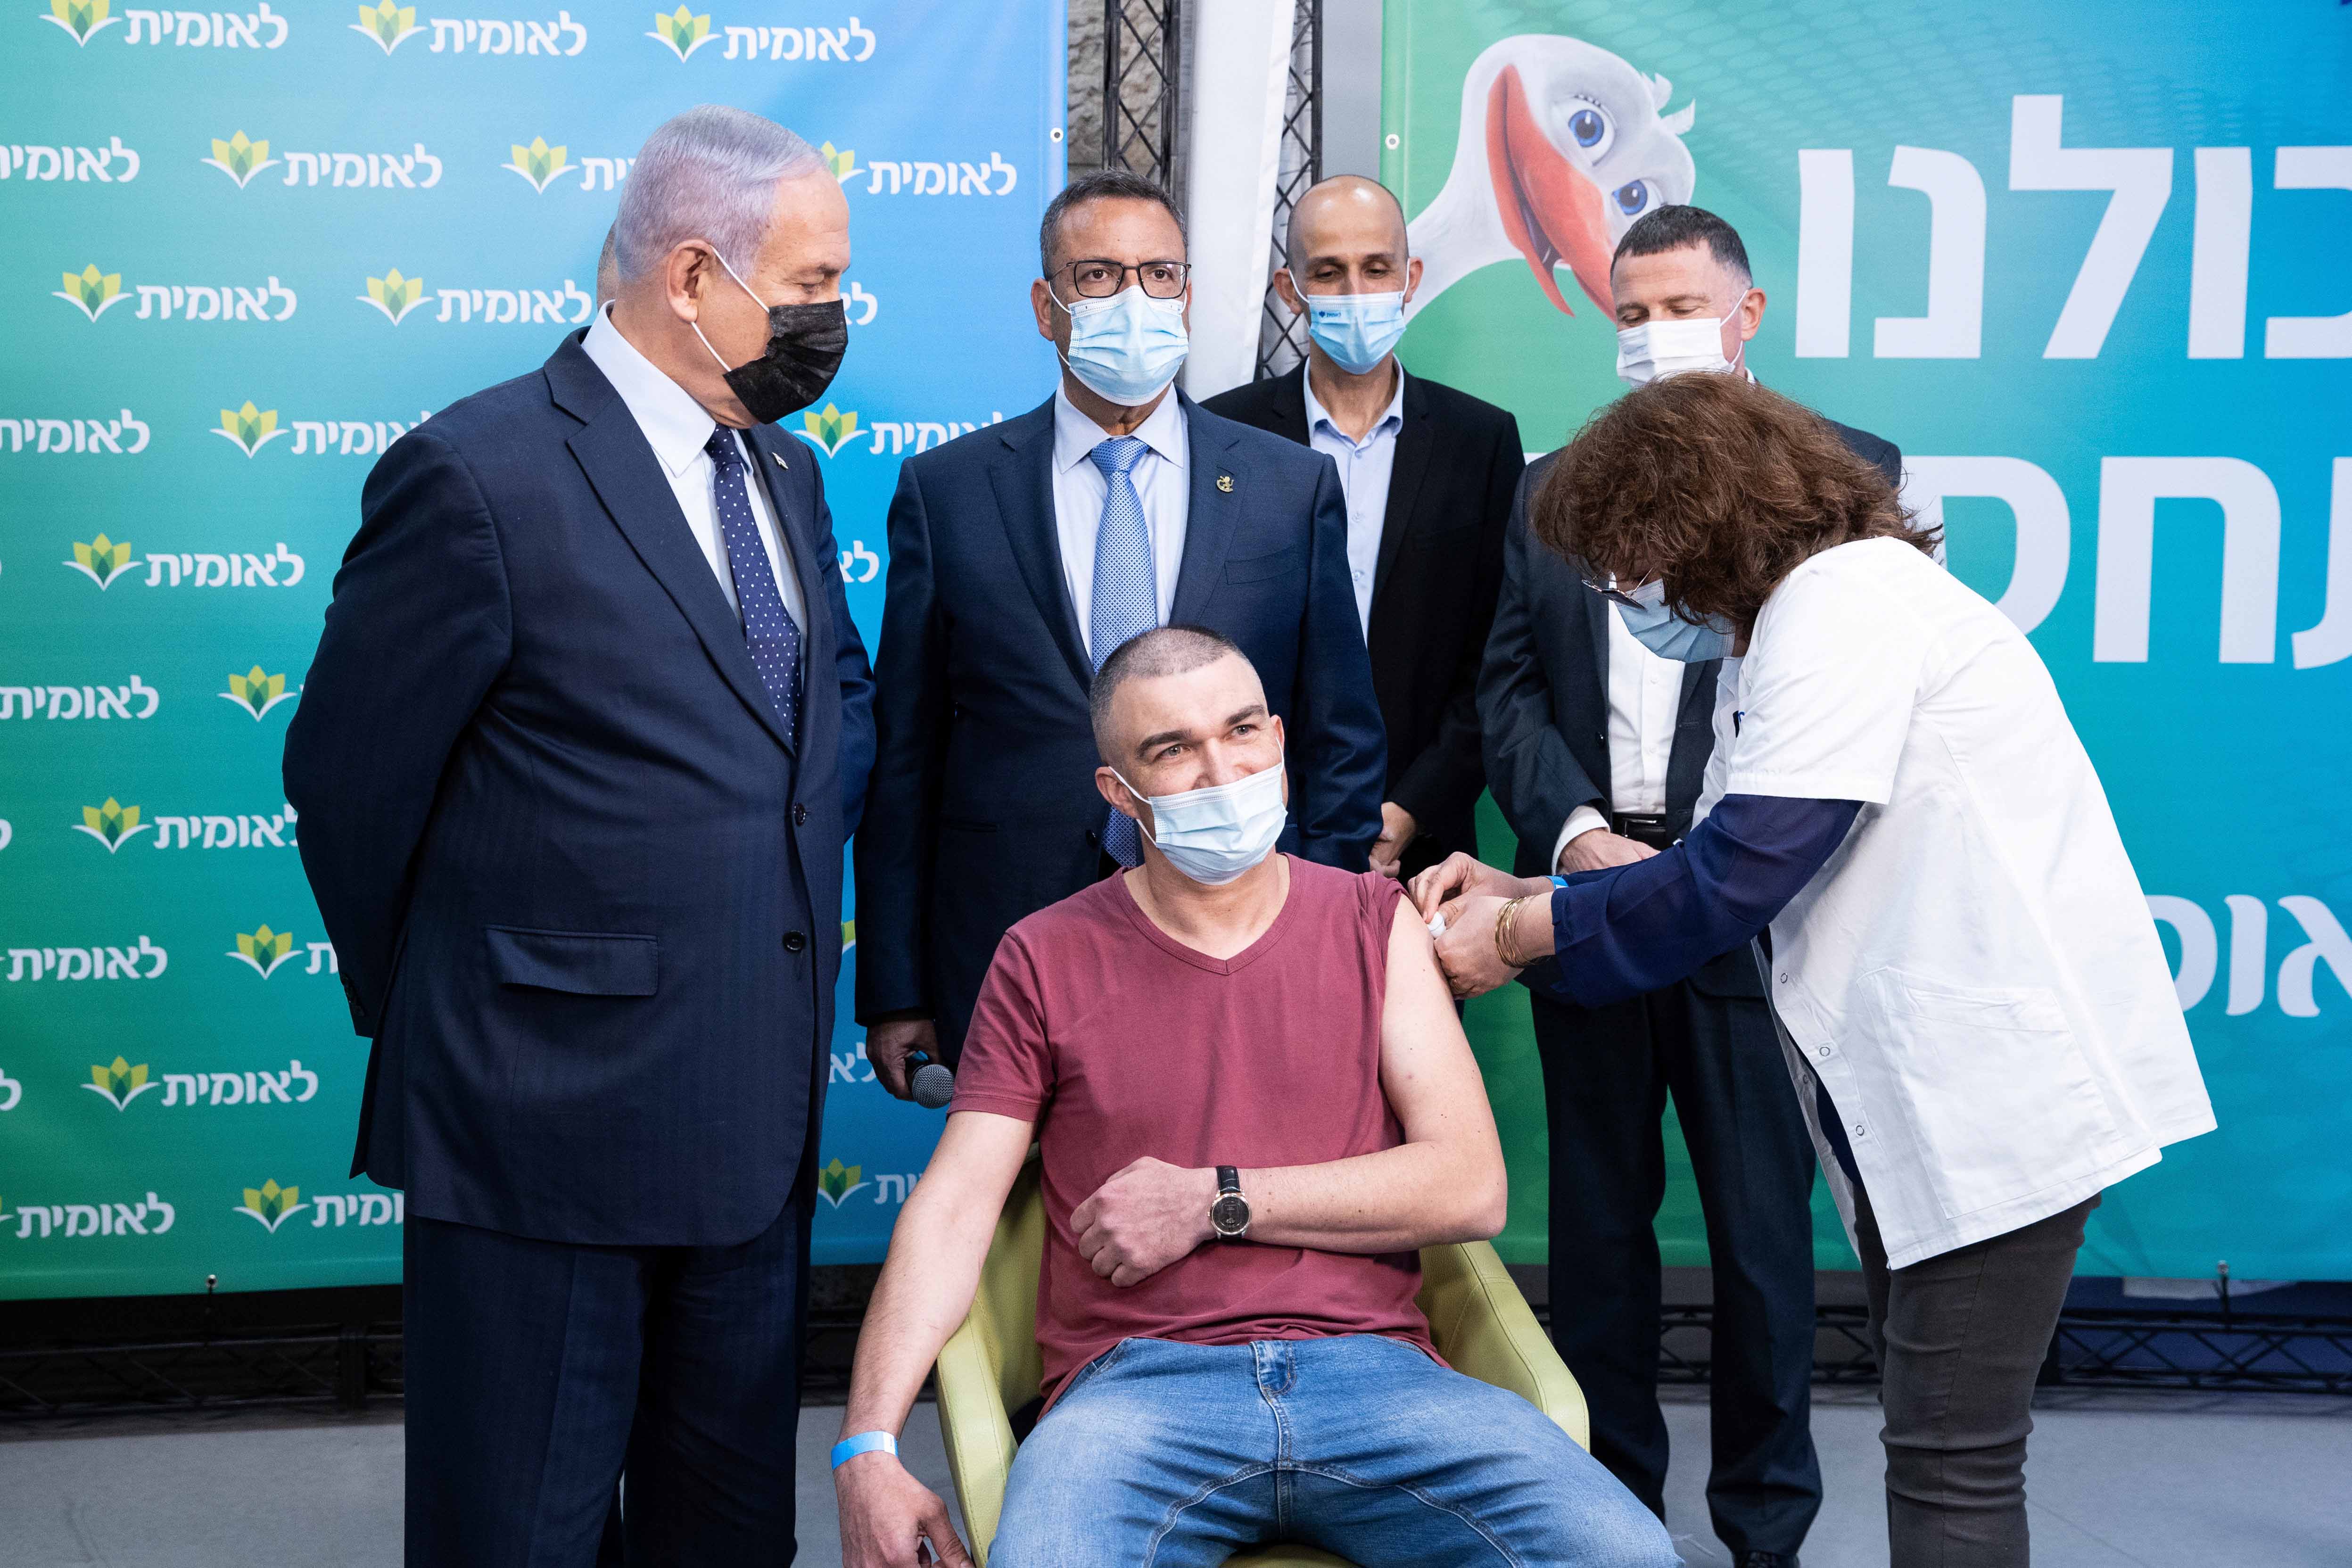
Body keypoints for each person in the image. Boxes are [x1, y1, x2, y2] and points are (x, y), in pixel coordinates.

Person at [1418, 371, 2216, 1568]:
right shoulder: (1785, 629)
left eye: (1624, 557)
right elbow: (1712, 858)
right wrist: (1530, 891)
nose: (1618, 594)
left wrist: (1519, 939)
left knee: (1950, 1462)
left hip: (1995, 1101)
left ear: (1696, 520)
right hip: (1937, 1101)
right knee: (1939, 1445)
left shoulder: (1844, 607)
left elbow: (1738, 874)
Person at [284, 105, 876, 1566]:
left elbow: (816, 723)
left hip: (751, 1127)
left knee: (725, 1530)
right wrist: (468, 1006)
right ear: (693, 276)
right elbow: (349, 780)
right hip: (539, 1127)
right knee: (521, 1531)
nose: (831, 318)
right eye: (809, 284)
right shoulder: (477, 474)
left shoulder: (783, 473)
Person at [832, 627, 1677, 1568]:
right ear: (1119, 791)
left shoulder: (1371, 921)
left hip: (1382, 1379)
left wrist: (1213, 1200)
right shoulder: (1042, 953)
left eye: (1240, 732)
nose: (1219, 770)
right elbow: (953, 1209)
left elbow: (1468, 1186)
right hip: (1132, 1396)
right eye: (1172, 749)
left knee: (1624, 1552)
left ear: (1278, 739)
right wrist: (865, 1445)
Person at [1475, 202, 1899, 1568]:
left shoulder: (1844, 475)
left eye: (1676, 307)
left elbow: (1853, 712)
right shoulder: (1550, 485)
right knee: (1595, 1234)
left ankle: (1763, 1530)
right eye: (1629, 313)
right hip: (1590, 893)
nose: (1652, 335)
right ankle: (1605, 1516)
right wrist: (1576, 834)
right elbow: (1507, 687)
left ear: (1746, 314)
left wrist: (1715, 852)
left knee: (1761, 1240)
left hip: (1752, 909)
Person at [857, 169, 1386, 1094]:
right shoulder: (948, 493)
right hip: (1005, 933)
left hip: (1238, 925)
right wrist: (896, 987)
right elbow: (904, 758)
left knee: (1225, 1194)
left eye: (1157, 274)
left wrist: (1323, 925)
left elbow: (1341, 740)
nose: (1132, 300)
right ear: (1045, 305)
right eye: (1098, 276)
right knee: (1029, 1216)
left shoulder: (1284, 488)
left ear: (1186, 293)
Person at [1203, 175, 1521, 880]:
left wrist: (1412, 805)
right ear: (1291, 290)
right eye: (1328, 271)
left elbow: (1497, 655)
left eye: (1376, 268)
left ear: (1409, 278)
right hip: (1250, 831)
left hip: (1426, 845)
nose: (1355, 290)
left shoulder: (1480, 442)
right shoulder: (1223, 433)